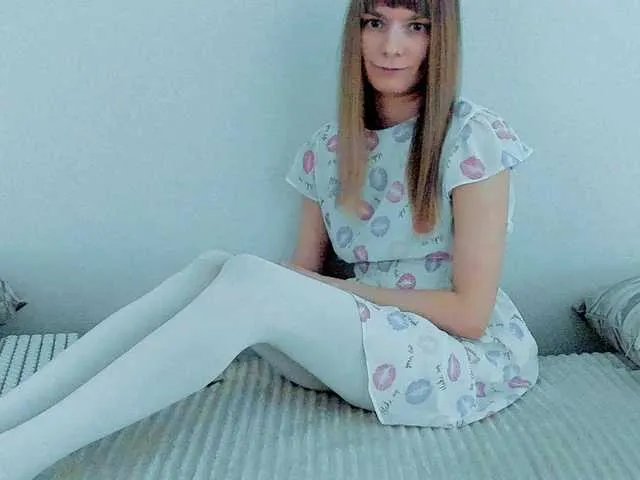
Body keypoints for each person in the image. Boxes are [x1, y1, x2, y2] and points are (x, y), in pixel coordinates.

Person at [0, 0, 539, 478]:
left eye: (415, 26)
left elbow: (470, 315)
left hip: (450, 359)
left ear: (439, 39)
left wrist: (335, 291)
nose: (391, 46)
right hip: (362, 344)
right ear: (355, 32)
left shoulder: (471, 138)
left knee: (250, 278)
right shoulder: (329, 148)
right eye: (375, 23)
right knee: (219, 266)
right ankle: (11, 415)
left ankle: (18, 456)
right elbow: (296, 282)